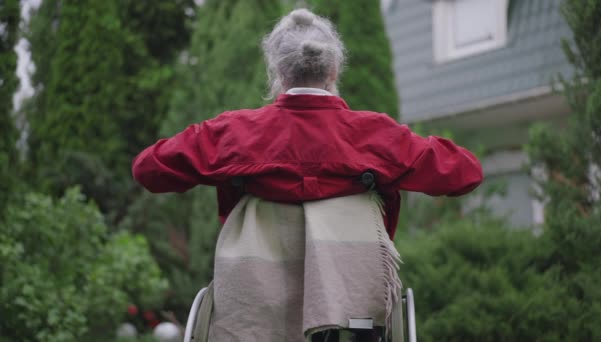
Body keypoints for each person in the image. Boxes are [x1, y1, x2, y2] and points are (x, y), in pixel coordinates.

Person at [132, 8, 483, 342]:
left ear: (279, 73)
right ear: (333, 72)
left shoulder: (234, 132)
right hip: (354, 308)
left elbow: (149, 168)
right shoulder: (375, 134)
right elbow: (465, 172)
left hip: (256, 301)